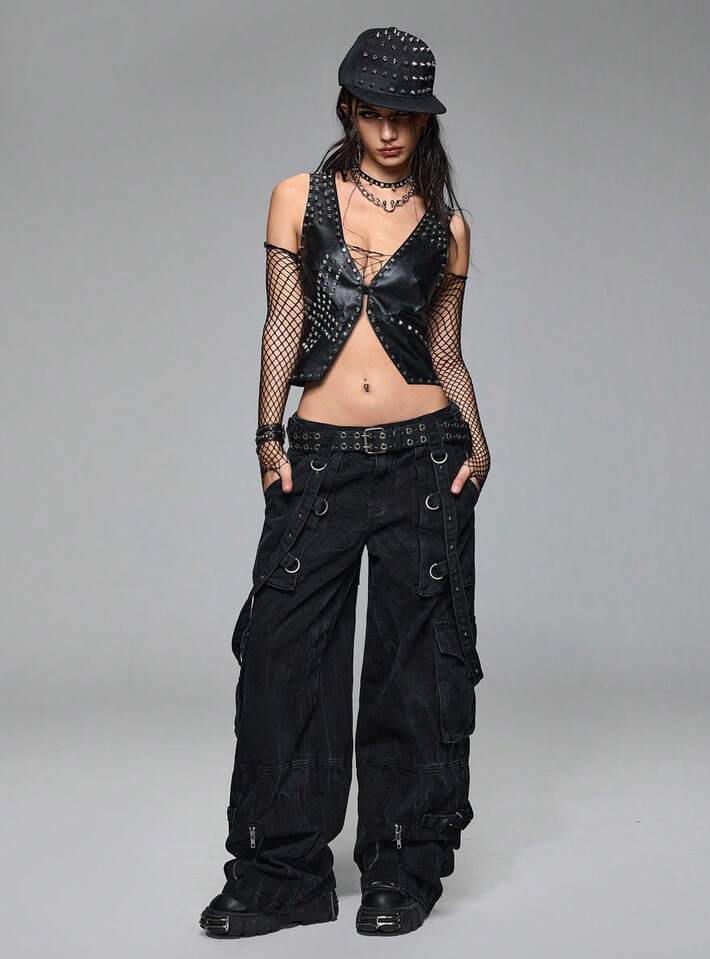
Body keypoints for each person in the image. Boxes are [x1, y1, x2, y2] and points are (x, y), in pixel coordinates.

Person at [199, 25, 491, 939]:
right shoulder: (299, 197)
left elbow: (444, 351)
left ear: (425, 120)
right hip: (320, 458)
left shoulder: (447, 227)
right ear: (348, 110)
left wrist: (479, 440)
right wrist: (266, 433)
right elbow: (282, 321)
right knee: (284, 661)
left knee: (416, 668)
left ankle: (401, 866)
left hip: (425, 457)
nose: (390, 132)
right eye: (374, 113)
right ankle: (281, 871)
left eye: (406, 115)